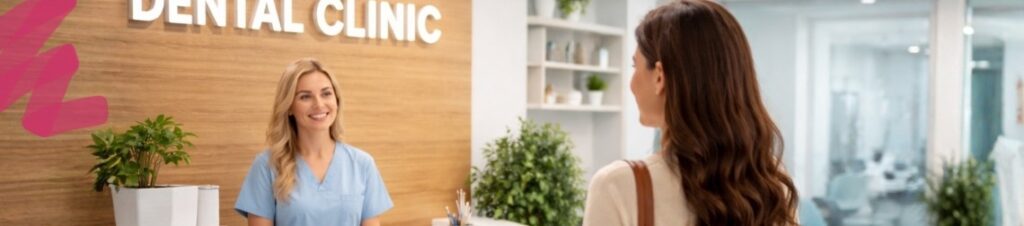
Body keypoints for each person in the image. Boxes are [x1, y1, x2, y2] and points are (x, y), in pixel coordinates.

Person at [582, 1, 799, 225]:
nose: (631, 83)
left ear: (659, 76)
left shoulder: (618, 186)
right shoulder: (770, 184)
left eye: (635, 66)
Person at [235, 58, 393, 226]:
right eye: (305, 97)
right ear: (289, 107)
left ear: (336, 100)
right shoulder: (267, 166)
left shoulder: (362, 164)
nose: (319, 104)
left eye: (326, 93)